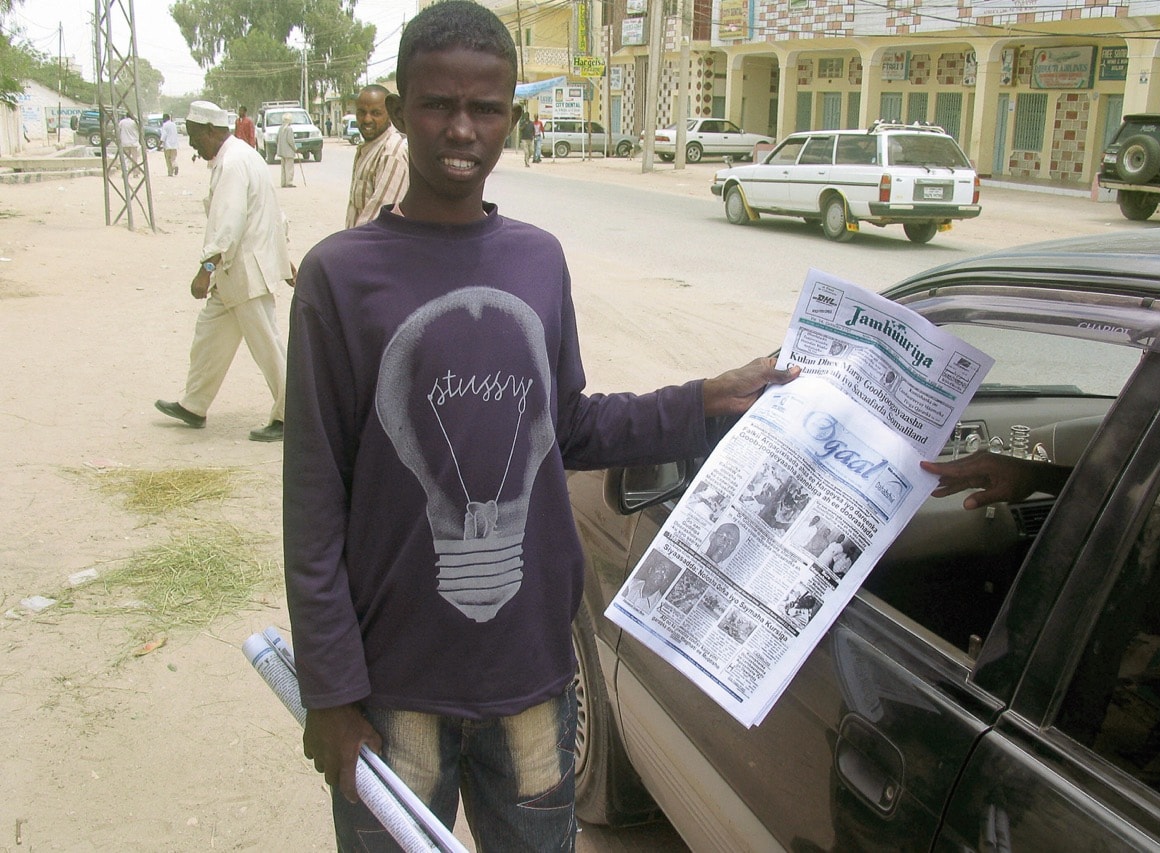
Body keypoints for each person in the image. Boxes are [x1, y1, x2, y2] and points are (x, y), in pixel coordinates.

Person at [281, 3, 799, 849]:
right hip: (394, 686)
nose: (461, 128)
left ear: (514, 118)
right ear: (399, 109)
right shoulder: (340, 277)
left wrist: (708, 397)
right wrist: (330, 692)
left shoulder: (537, 258)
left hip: (531, 679)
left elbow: (569, 428)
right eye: (437, 105)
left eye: (486, 109)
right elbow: (312, 501)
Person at [154, 100, 291, 443]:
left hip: (243, 271)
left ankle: (291, 415)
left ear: (211, 131)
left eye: (195, 135)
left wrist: (206, 268)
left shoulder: (233, 163)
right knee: (209, 336)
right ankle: (193, 404)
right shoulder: (241, 157)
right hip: (235, 274)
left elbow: (229, 222)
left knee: (268, 347)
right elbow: (273, 213)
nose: (191, 143)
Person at [345, 84, 410, 228]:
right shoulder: (368, 149)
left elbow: (377, 222)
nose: (367, 119)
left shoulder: (392, 153)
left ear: (390, 115)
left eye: (376, 113)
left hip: (370, 248)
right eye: (362, 112)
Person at [277, 113, 298, 188]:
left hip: (282, 151)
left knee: (283, 167)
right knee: (289, 167)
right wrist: (295, 148)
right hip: (289, 151)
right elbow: (291, 141)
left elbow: (277, 139)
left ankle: (283, 182)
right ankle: (289, 182)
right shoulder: (289, 129)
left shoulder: (280, 128)